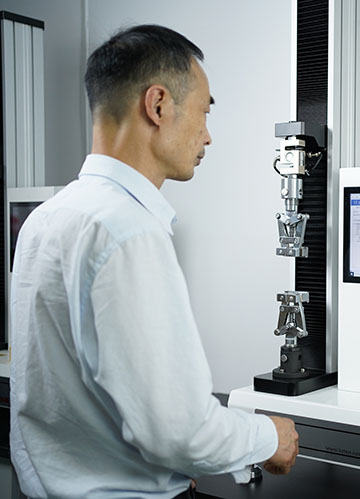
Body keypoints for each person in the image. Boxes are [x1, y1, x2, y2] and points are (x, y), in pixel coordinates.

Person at [10, 24, 298, 498]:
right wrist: (271, 437)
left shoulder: (45, 220)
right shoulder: (129, 231)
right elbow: (180, 432)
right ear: (158, 105)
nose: (208, 136)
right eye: (204, 112)